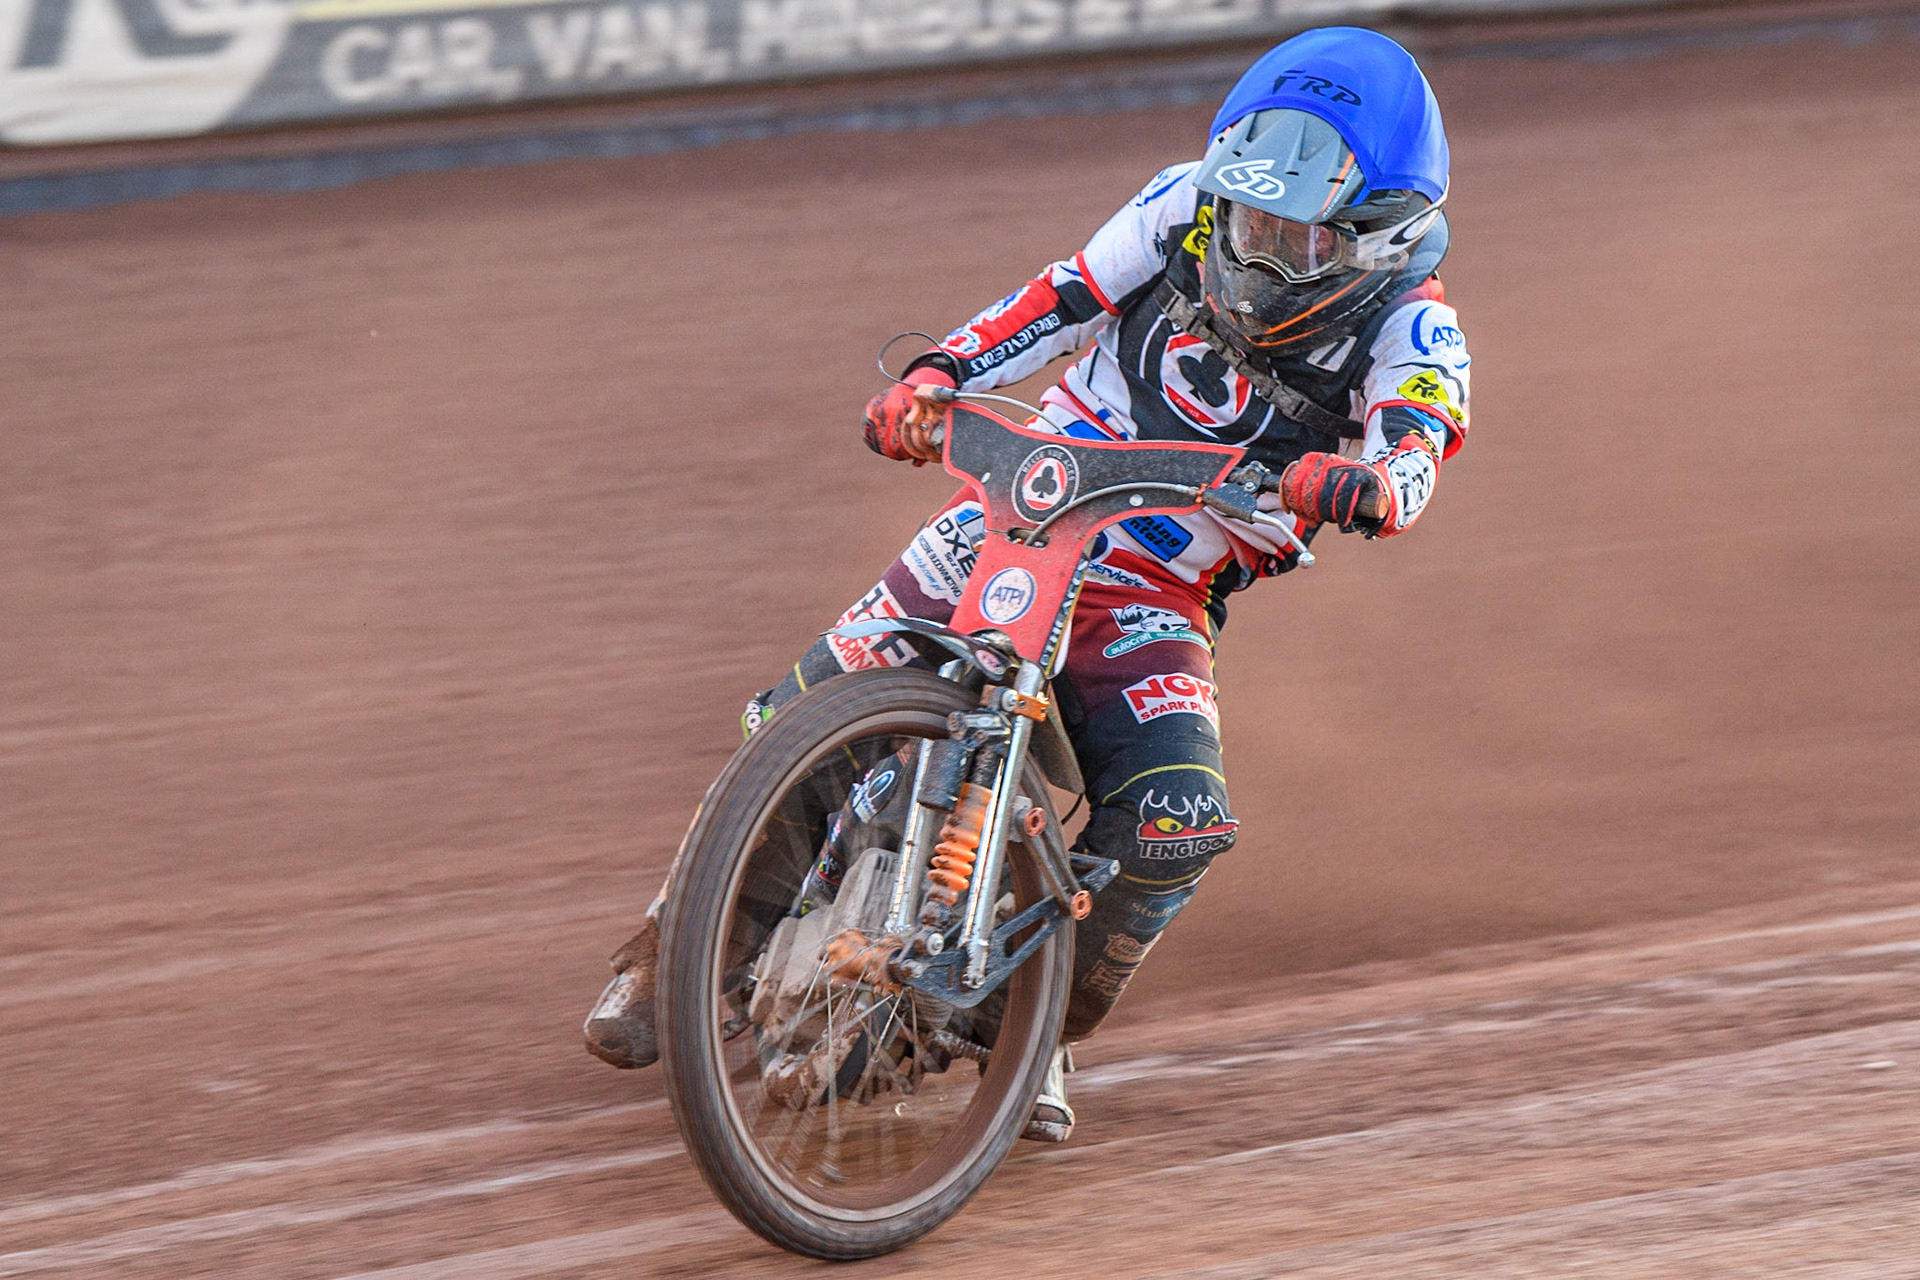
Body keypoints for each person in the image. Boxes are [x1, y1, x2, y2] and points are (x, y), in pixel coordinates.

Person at [584, 25, 1471, 1143]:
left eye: (1294, 237)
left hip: (1155, 592)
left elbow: (1415, 446)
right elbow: (1057, 301)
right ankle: (672, 951)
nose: (1256, 253)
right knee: (800, 710)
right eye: (1246, 219)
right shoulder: (1176, 209)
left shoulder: (1416, 325)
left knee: (1177, 823)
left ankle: (1014, 1027)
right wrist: (939, 373)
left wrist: (1374, 484)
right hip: (1021, 510)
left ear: (1381, 236)